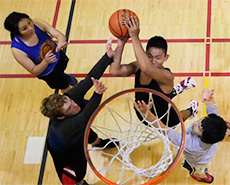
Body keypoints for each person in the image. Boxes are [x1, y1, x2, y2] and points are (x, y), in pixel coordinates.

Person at [40, 38, 119, 185]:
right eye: (69, 108)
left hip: (78, 129)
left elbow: (89, 79)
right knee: (77, 176)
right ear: (61, 116)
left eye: (70, 102)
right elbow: (86, 115)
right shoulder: (64, 129)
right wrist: (97, 94)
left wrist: (107, 57)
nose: (74, 105)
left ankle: (98, 143)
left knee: (88, 132)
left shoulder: (68, 100)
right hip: (66, 152)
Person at [109, 16, 197, 127]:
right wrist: (121, 42)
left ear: (166, 58)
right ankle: (173, 92)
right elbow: (115, 70)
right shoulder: (140, 66)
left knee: (180, 116)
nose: (153, 61)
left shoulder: (167, 76)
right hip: (141, 112)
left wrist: (135, 37)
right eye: (149, 56)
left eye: (157, 58)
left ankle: (192, 110)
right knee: (158, 90)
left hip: (163, 117)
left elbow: (147, 68)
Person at [134, 88, 228, 183]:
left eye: (199, 128)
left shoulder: (190, 144)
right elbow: (211, 106)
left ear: (202, 137)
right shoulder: (214, 121)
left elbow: (164, 129)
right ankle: (227, 131)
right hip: (213, 144)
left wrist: (147, 114)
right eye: (201, 121)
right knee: (223, 129)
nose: (196, 124)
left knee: (198, 170)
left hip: (199, 161)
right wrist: (207, 95)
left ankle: (200, 176)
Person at [4, 12, 77, 93]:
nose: (30, 28)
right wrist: (45, 62)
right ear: (17, 32)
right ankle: (76, 100)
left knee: (63, 70)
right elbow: (34, 71)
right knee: (65, 87)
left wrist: (60, 42)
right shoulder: (17, 50)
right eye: (24, 28)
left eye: (29, 22)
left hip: (58, 56)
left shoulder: (38, 24)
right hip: (49, 73)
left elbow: (59, 35)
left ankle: (65, 77)